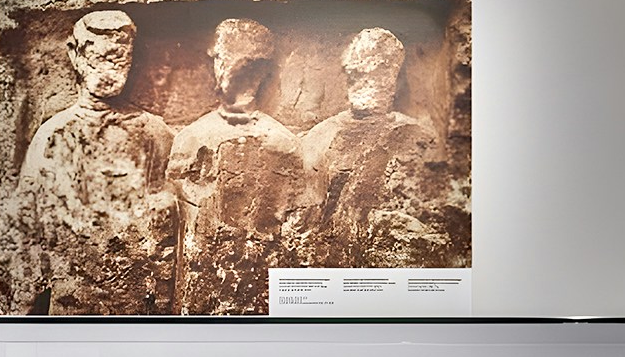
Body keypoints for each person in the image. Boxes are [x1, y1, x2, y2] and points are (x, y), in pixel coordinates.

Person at [7, 10, 178, 315]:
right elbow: (26, 235)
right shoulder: (52, 136)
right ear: (75, 56)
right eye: (100, 58)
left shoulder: (154, 133)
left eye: (120, 59)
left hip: (136, 304)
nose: (110, 69)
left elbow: (168, 226)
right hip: (72, 304)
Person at [167, 18, 311, 314]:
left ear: (257, 70)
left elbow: (297, 231)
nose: (218, 66)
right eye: (218, 57)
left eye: (226, 58)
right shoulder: (191, 138)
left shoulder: (283, 144)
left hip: (261, 289)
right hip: (200, 289)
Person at [299, 27, 450, 268]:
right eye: (357, 72)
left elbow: (431, 213)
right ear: (348, 73)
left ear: (394, 78)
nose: (366, 80)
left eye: (378, 71)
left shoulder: (417, 135)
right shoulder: (319, 136)